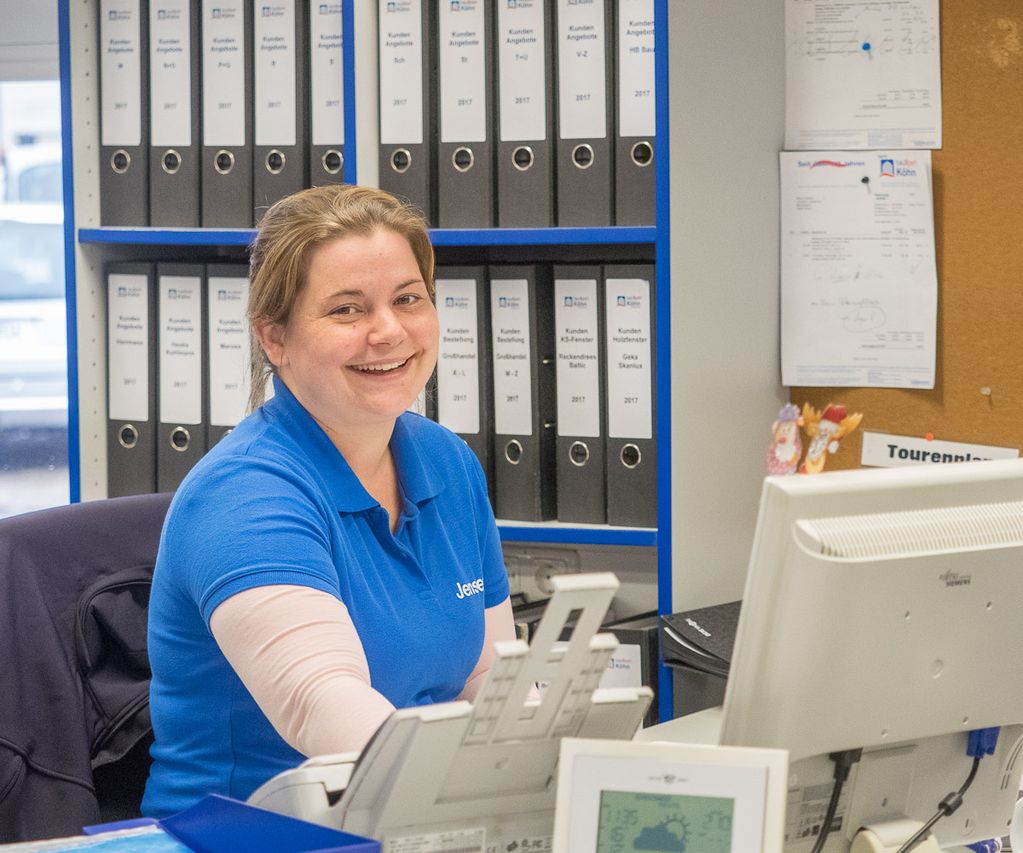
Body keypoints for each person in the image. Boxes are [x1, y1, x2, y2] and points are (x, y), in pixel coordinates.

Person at [142, 184, 513, 818]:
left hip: (408, 817)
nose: (388, 331)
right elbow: (322, 703)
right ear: (275, 339)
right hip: (252, 829)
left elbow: (485, 677)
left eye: (408, 299)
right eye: (347, 310)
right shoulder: (244, 495)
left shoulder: (446, 462)